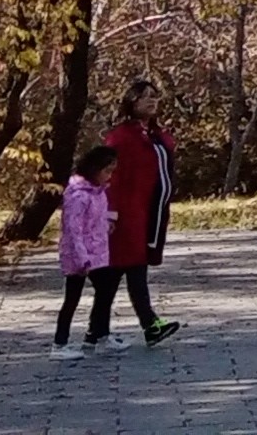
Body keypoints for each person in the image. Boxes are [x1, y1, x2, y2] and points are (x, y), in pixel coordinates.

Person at [103, 78, 182, 344]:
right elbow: (110, 177)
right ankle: (148, 325)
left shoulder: (157, 135)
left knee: (124, 272)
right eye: (144, 96)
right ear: (131, 101)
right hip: (128, 214)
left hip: (153, 213)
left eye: (155, 96)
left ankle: (101, 330)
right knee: (129, 269)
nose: (151, 100)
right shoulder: (120, 137)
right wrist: (110, 212)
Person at [51, 143, 119, 356]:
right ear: (94, 169)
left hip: (97, 253)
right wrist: (82, 259)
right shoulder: (78, 196)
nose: (109, 176)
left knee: (106, 291)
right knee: (72, 299)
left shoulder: (98, 193)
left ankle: (97, 335)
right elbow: (73, 230)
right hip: (80, 257)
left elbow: (95, 218)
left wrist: (107, 222)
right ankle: (60, 344)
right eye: (107, 171)